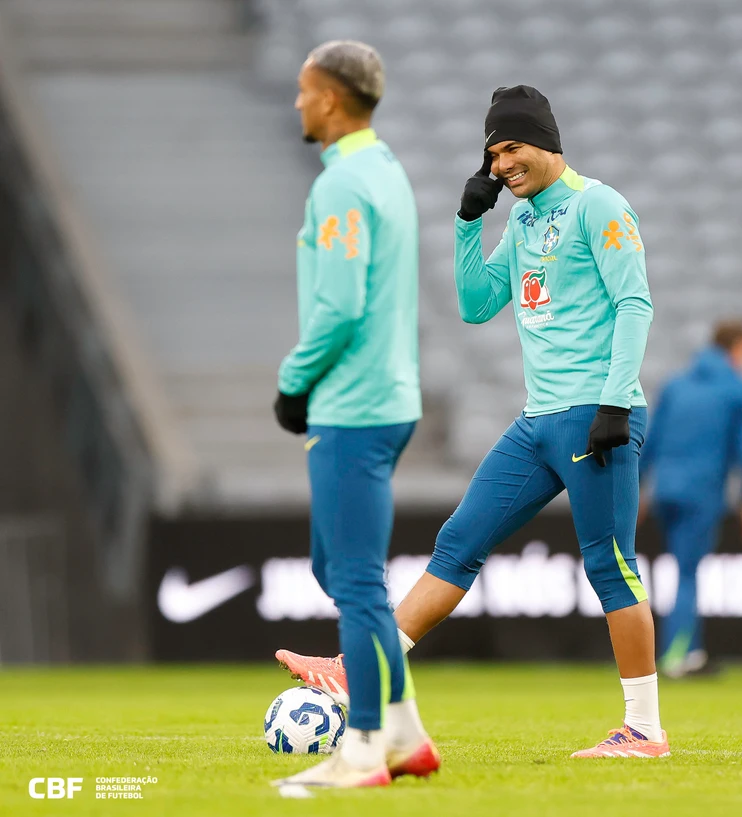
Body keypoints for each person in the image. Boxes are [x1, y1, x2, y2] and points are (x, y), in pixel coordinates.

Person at [278, 85, 667, 759]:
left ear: (545, 141)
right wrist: (466, 223)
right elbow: (476, 303)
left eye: (512, 147)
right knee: (459, 539)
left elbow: (635, 304)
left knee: (610, 564)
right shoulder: (519, 223)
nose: (502, 163)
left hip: (592, 413)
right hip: (538, 419)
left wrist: (612, 400)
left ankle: (645, 728)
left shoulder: (598, 205)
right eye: (493, 153)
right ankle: (358, 671)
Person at [269, 40, 439, 789]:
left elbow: (338, 305)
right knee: (335, 565)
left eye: (305, 91)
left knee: (358, 579)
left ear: (332, 98)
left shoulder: (341, 187)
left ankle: (364, 749)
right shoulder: (386, 171)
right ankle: (404, 732)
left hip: (355, 402)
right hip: (388, 395)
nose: (298, 103)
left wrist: (293, 380)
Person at [640, 320, 742, 678]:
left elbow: (652, 438)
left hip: (665, 490)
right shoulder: (740, 390)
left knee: (681, 569)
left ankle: (686, 650)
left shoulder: (675, 386)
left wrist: (639, 489)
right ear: (739, 347)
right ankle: (679, 656)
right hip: (701, 492)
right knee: (689, 573)